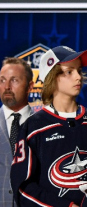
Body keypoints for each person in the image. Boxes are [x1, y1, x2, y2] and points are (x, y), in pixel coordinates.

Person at [10, 46, 87, 207]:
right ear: (51, 77)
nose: (78, 77)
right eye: (69, 71)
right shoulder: (34, 128)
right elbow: (23, 187)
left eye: (79, 70)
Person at [0, 57, 34, 207]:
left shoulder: (44, 127)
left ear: (30, 86)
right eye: (2, 80)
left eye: (14, 80)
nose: (6, 86)